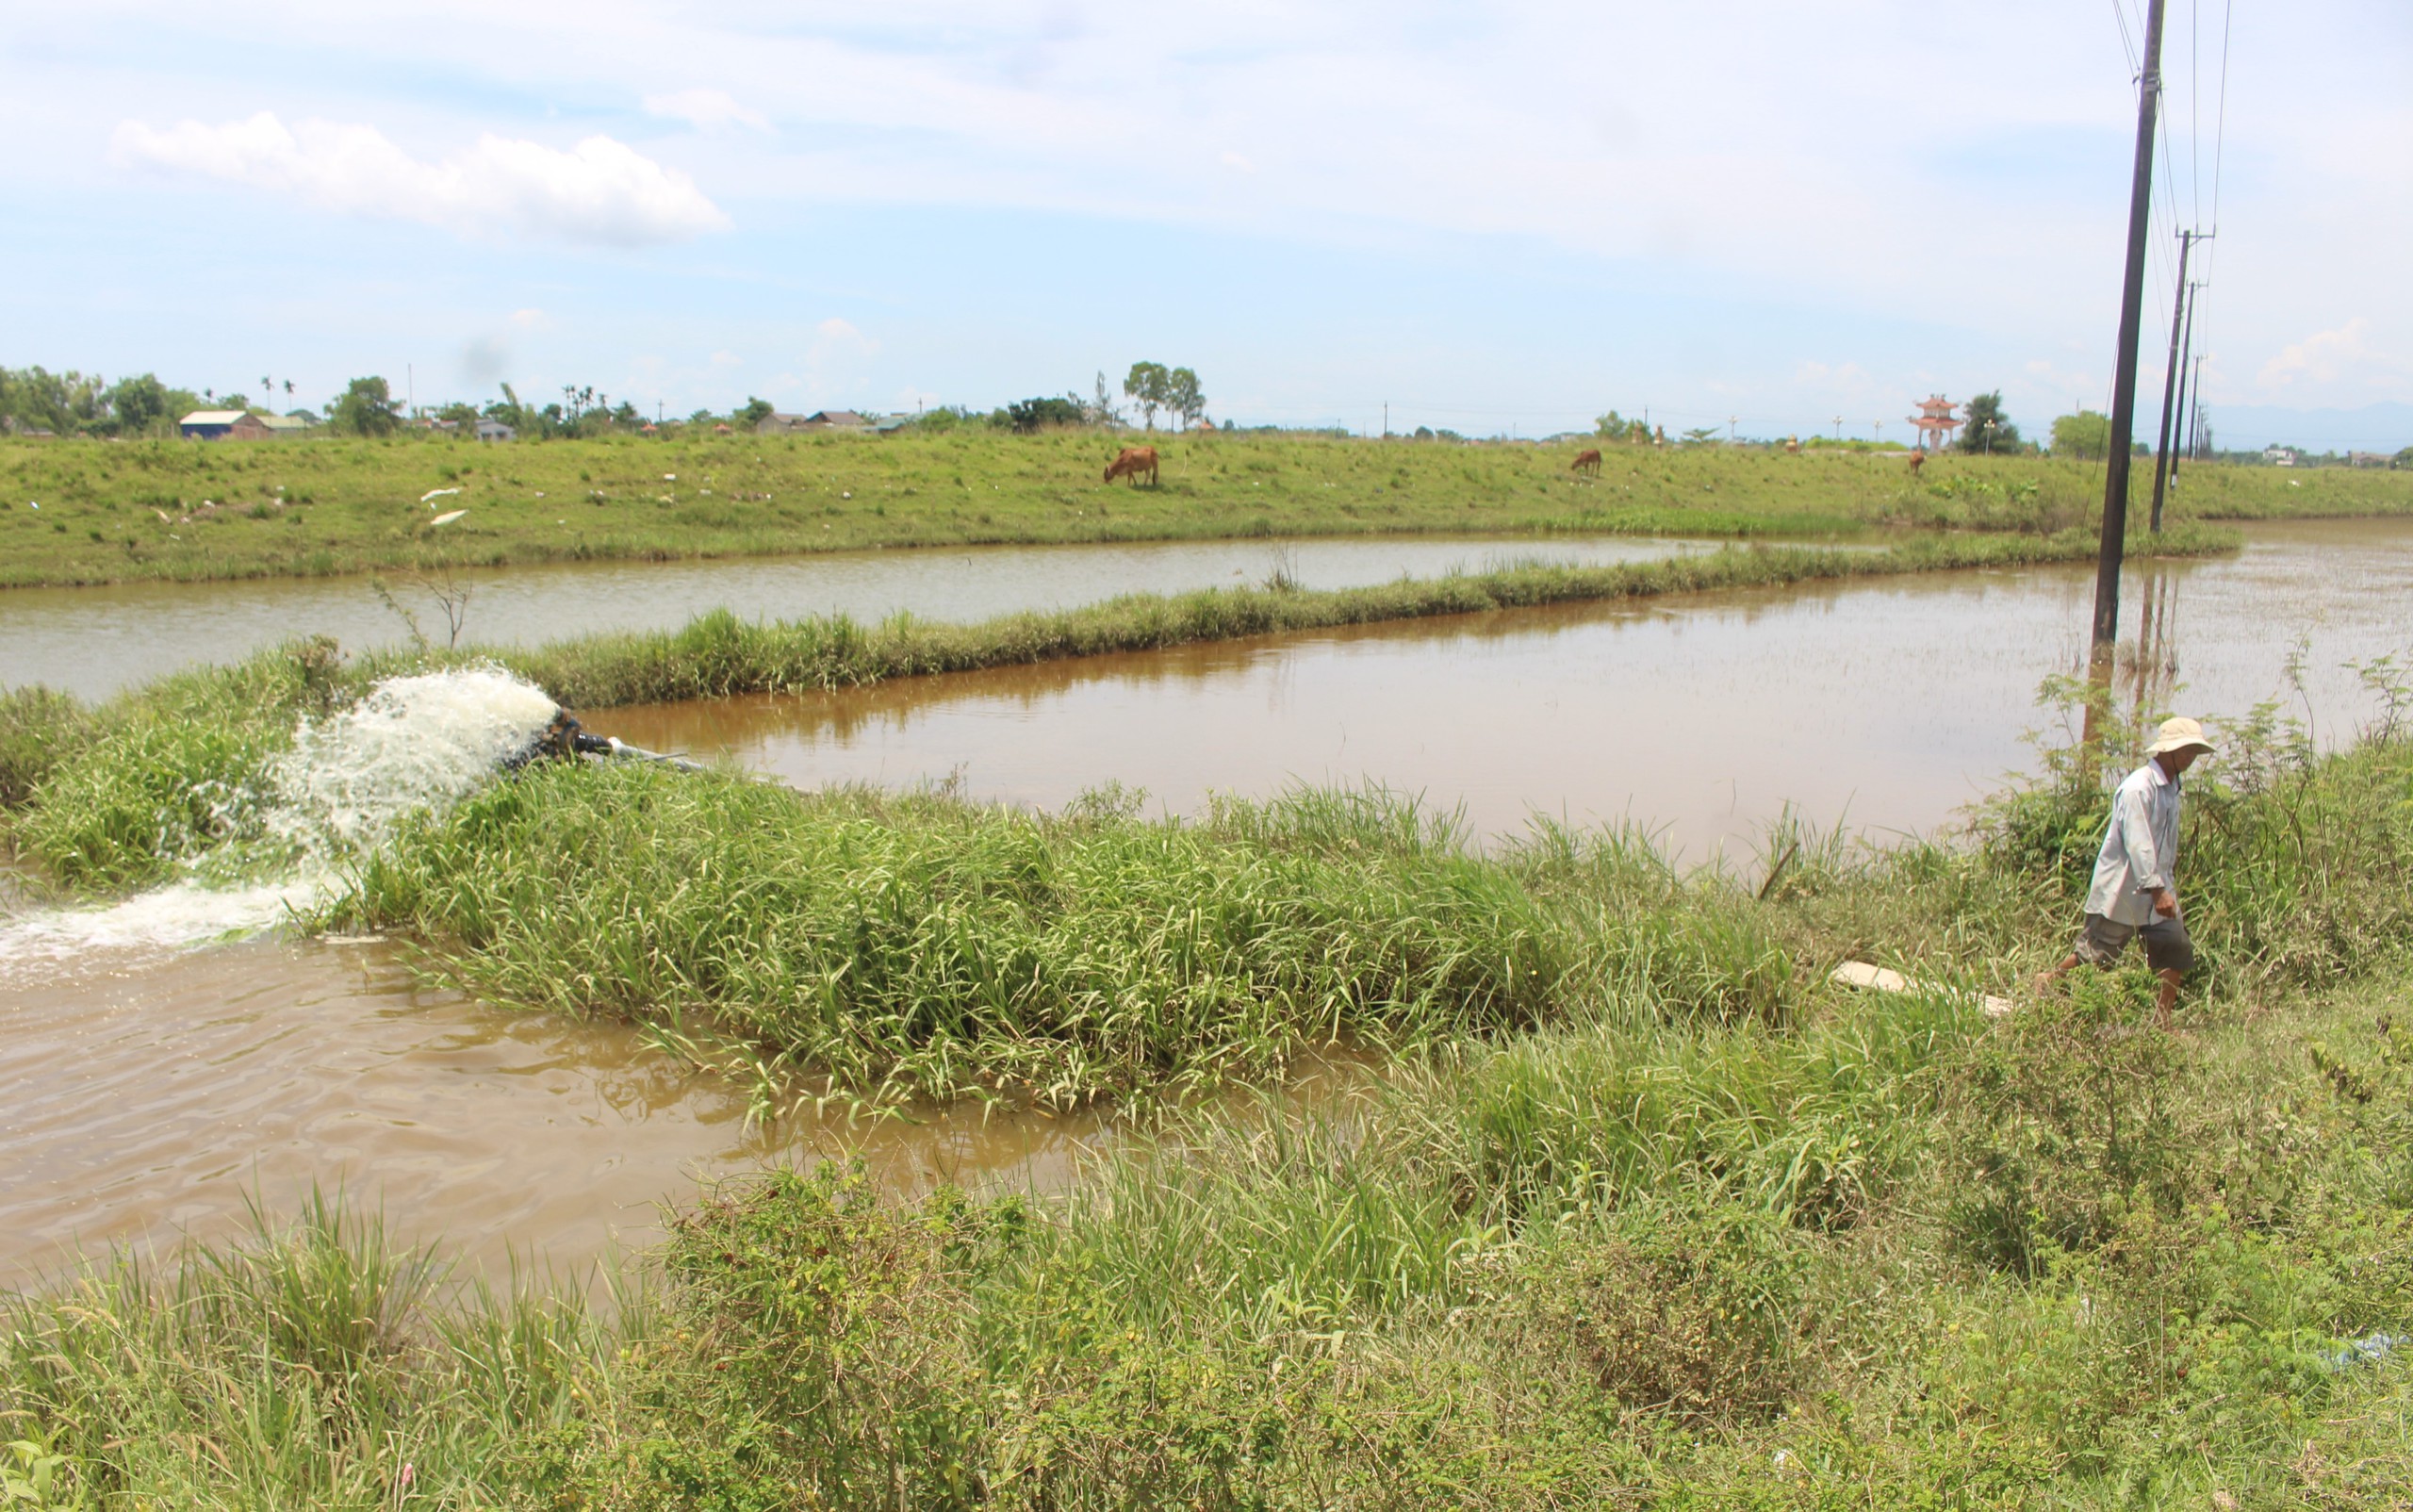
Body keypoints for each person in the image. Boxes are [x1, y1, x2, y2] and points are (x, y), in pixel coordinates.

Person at [2036, 715, 2217, 1027]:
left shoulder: (2171, 788)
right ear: (2167, 750)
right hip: (2125, 890)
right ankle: (2051, 980)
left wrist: (2165, 888)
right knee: (2097, 957)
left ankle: (2162, 1024)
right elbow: (2139, 843)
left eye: (2193, 752)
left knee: (2174, 950)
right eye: (2186, 751)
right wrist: (2157, 889)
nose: (2190, 758)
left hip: (2158, 892)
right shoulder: (2137, 789)